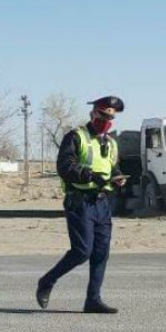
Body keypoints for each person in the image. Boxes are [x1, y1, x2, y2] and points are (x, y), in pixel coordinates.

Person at [37, 96, 126, 314]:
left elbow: (110, 167)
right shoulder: (76, 137)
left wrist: (118, 177)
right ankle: (47, 281)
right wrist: (89, 175)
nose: (107, 120)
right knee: (82, 251)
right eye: (103, 115)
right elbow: (65, 166)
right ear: (93, 113)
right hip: (80, 201)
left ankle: (93, 300)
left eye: (111, 117)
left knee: (100, 253)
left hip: (102, 203)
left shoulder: (111, 143)